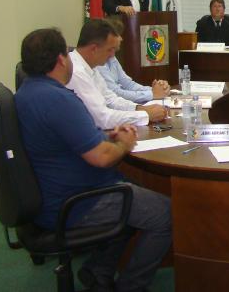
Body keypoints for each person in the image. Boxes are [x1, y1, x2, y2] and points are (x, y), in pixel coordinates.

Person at [14, 28, 172, 292]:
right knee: (166, 214)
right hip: (76, 202)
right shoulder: (59, 100)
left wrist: (104, 136)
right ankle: (131, 286)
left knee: (135, 190)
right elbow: (101, 158)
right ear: (62, 59)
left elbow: (68, 137)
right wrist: (123, 143)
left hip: (53, 193)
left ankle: (98, 271)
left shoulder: (27, 92)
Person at [67, 18, 168, 129]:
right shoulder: (75, 72)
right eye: (110, 50)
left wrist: (140, 108)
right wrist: (145, 115)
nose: (112, 55)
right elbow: (102, 118)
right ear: (94, 49)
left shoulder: (91, 67)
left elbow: (111, 99)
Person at [96, 19, 170, 104]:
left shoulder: (112, 57)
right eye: (118, 35)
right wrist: (152, 94)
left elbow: (127, 84)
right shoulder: (98, 62)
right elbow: (115, 93)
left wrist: (156, 90)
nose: (121, 38)